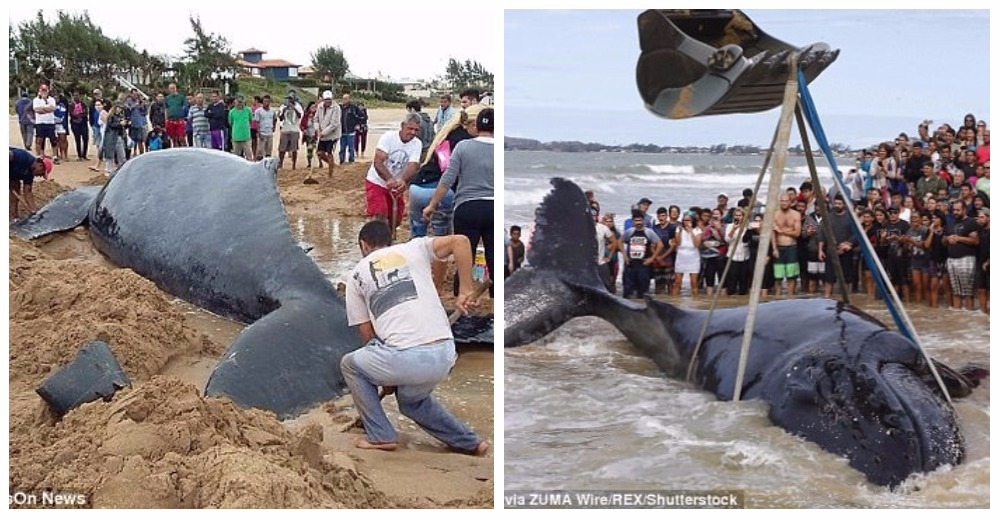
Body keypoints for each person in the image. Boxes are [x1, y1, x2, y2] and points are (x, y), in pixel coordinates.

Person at [342, 220, 489, 455]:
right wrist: (465, 289)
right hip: (445, 354)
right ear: (390, 240)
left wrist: (386, 375)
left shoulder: (356, 275)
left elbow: (368, 336)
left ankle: (380, 435)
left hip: (407, 357)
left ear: (363, 245)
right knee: (413, 403)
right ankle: (470, 441)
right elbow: (460, 241)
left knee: (350, 365)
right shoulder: (414, 248)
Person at [423, 109, 495, 296]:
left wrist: (432, 205)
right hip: (493, 208)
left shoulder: (463, 146)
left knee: (465, 257)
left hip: (467, 207)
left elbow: (447, 179)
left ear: (477, 126)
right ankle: (497, 309)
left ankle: (460, 298)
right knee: (494, 259)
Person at [371, 114, 423, 227]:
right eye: (410, 128)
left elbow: (413, 164)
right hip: (377, 181)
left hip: (397, 184)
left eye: (416, 130)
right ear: (403, 126)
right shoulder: (388, 137)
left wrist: (404, 180)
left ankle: (389, 240)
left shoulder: (417, 144)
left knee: (396, 219)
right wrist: (388, 178)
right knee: (381, 213)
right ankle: (379, 242)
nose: (413, 132)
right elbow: (378, 161)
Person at [943, 200, 981, 310]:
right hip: (951, 259)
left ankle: (969, 315)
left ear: (964, 210)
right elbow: (943, 241)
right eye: (954, 210)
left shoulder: (971, 222)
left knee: (968, 291)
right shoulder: (950, 223)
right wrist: (947, 239)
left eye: (958, 210)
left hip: (967, 259)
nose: (955, 212)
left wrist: (959, 238)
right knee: (955, 291)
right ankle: (957, 315)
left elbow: (975, 241)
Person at [617, 211, 663, 299]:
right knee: (628, 290)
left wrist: (652, 258)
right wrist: (624, 256)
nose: (638, 223)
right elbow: (620, 241)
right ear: (633, 221)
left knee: (643, 290)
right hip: (631, 264)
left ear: (643, 221)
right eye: (636, 221)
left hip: (643, 264)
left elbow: (660, 245)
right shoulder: (629, 232)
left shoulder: (649, 232)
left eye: (640, 220)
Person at [9, 147, 53, 219]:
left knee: (15, 188)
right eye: (41, 174)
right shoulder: (22, 157)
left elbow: (28, 192)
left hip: (12, 173)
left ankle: (13, 216)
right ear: (40, 165)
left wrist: (35, 212)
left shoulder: (30, 174)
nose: (39, 176)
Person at [772, 193, 802, 296]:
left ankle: (790, 298)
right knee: (778, 277)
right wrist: (774, 248)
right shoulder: (775, 214)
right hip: (779, 247)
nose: (784, 203)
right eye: (782, 201)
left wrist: (781, 232)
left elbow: (797, 233)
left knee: (791, 277)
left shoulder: (795, 214)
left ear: (790, 202)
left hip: (791, 248)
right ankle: (777, 298)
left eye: (786, 201)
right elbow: (773, 233)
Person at [672, 212, 702, 296]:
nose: (686, 222)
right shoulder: (679, 229)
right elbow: (678, 243)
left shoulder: (697, 230)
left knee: (694, 282)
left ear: (692, 220)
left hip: (693, 257)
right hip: (681, 256)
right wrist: (680, 232)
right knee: (677, 282)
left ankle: (695, 303)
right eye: (684, 220)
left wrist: (691, 232)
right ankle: (675, 301)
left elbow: (697, 244)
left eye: (688, 220)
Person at [315, 90, 342, 178]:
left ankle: (330, 174)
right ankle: (333, 165)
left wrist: (324, 132)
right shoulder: (320, 107)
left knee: (329, 153)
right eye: (326, 100)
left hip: (332, 135)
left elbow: (334, 124)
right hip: (322, 134)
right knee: (319, 153)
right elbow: (316, 119)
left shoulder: (336, 108)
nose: (327, 101)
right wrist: (317, 129)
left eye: (329, 100)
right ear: (323, 100)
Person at [32, 84, 58, 160]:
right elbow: (37, 110)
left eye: (45, 90)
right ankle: (38, 156)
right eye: (42, 90)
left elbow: (53, 108)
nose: (44, 92)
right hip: (40, 123)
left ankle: (55, 156)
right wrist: (47, 109)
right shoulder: (36, 99)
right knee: (39, 140)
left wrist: (43, 108)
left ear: (48, 91)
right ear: (39, 90)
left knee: (53, 140)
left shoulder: (51, 99)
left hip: (50, 123)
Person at [277, 96, 302, 170]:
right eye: (288, 100)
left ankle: (294, 164)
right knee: (282, 148)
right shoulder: (283, 107)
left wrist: (294, 108)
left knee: (294, 148)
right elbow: (281, 119)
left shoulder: (298, 107)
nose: (289, 101)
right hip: (285, 129)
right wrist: (284, 110)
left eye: (290, 100)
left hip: (294, 130)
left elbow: (299, 116)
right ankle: (281, 163)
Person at [253, 95, 278, 160]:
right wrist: (259, 132)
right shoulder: (258, 111)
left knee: (269, 150)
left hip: (269, 133)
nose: (266, 103)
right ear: (262, 102)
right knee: (260, 151)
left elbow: (275, 119)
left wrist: (274, 127)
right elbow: (257, 123)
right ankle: (259, 164)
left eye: (268, 101)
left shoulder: (272, 110)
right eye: (265, 101)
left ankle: (267, 165)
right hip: (262, 133)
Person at [339, 93, 361, 164]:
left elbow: (362, 116)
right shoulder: (340, 108)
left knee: (351, 148)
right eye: (343, 99)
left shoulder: (353, 108)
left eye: (346, 99)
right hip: (342, 131)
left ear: (349, 99)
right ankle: (341, 161)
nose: (344, 100)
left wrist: (357, 124)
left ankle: (351, 161)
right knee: (342, 148)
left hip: (351, 131)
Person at [164, 83, 187, 148]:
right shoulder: (167, 98)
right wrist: (166, 120)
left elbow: (185, 107)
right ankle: (175, 150)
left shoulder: (181, 97)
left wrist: (185, 119)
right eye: (170, 88)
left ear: (176, 88)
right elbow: (166, 109)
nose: (172, 90)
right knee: (174, 138)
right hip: (171, 120)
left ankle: (185, 149)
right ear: (169, 89)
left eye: (173, 88)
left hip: (180, 120)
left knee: (181, 137)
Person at [69, 94, 89, 160]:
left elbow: (86, 112)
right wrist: (80, 115)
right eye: (75, 96)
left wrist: (78, 114)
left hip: (83, 123)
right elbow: (71, 114)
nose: (76, 98)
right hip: (75, 124)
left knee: (85, 139)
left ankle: (84, 155)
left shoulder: (83, 104)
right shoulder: (71, 105)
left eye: (78, 96)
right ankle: (79, 155)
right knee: (77, 139)